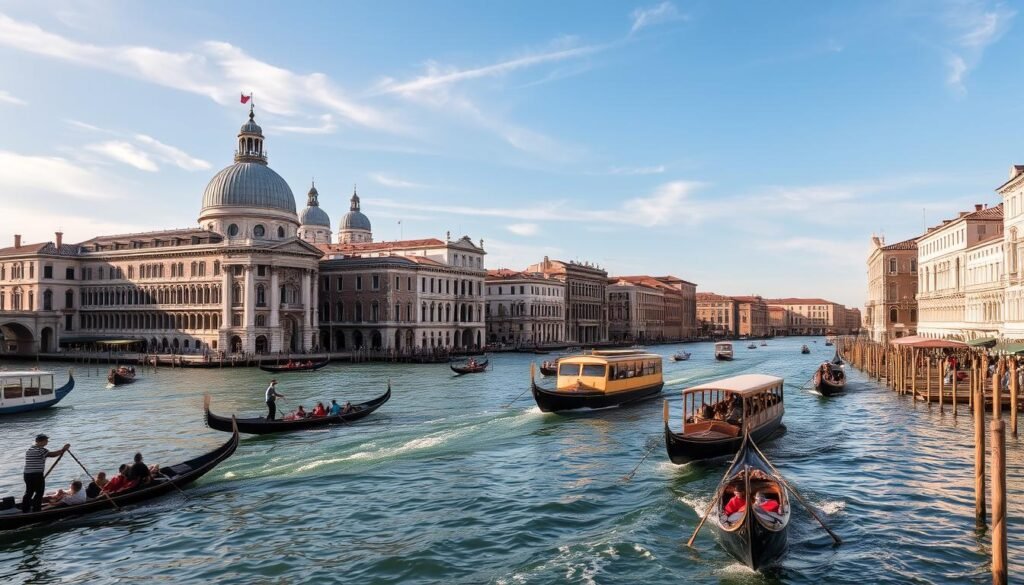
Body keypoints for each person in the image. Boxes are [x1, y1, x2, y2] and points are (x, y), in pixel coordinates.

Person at [22, 434, 70, 513]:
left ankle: (25, 509)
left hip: (27, 474)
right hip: (37, 475)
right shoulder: (41, 450)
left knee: (29, 492)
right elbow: (53, 454)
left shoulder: (29, 450)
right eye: (46, 441)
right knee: (39, 492)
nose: (47, 442)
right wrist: (63, 449)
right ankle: (36, 510)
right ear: (42, 441)